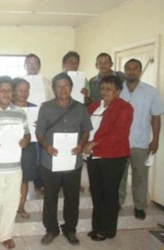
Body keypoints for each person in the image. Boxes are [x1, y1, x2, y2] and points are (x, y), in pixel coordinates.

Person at [36, 72, 92, 246]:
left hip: (72, 161)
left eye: (66, 85)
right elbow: (39, 133)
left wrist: (81, 145)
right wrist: (47, 146)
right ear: (53, 89)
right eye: (59, 86)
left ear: (71, 88)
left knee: (72, 197)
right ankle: (51, 229)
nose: (62, 89)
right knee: (50, 197)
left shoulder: (80, 108)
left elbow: (86, 130)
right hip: (50, 160)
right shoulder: (45, 108)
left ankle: (70, 229)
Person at [83, 75, 133, 241]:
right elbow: (83, 121)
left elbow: (119, 133)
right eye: (103, 88)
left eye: (109, 89)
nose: (105, 92)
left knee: (109, 194)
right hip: (94, 156)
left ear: (118, 91)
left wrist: (94, 143)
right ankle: (97, 226)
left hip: (113, 157)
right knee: (96, 193)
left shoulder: (124, 108)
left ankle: (108, 230)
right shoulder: (96, 105)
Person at [0, 76, 30, 250]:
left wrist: (25, 140)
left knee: (12, 201)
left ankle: (6, 235)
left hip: (14, 166)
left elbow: (27, 133)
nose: (7, 94)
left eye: (10, 90)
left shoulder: (20, 112)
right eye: (3, 90)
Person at [118, 58, 164, 220]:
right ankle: (118, 202)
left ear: (139, 71)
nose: (131, 71)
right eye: (128, 68)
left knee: (140, 176)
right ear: (124, 70)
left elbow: (156, 116)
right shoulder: (117, 90)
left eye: (135, 68)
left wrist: (155, 140)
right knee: (119, 175)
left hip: (141, 142)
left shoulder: (150, 91)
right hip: (120, 142)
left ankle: (139, 206)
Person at [11, 78, 42, 220]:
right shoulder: (8, 107)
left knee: (24, 178)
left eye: (26, 90)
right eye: (20, 90)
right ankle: (8, 206)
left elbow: (42, 130)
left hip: (29, 146)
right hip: (10, 146)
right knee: (10, 178)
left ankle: (21, 206)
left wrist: (39, 124)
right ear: (13, 92)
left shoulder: (34, 108)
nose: (24, 93)